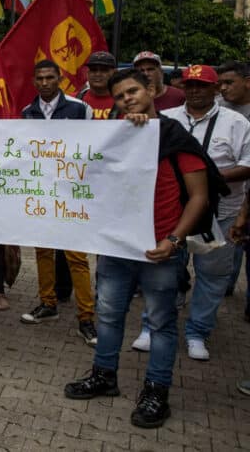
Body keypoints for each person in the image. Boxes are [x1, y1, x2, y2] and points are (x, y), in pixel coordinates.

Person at [65, 68, 209, 429]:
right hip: (116, 248)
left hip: (160, 249)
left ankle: (156, 392)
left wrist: (174, 240)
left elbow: (199, 197)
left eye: (132, 91)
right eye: (119, 96)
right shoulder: (112, 138)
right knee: (109, 315)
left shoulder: (173, 136)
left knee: (160, 323)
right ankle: (104, 375)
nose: (127, 99)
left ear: (151, 89)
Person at [157, 64, 250, 361]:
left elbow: (248, 164)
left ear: (215, 89)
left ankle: (198, 331)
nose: (195, 91)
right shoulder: (166, 119)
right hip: (174, 212)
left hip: (219, 212)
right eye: (190, 85)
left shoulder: (236, 123)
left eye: (202, 85)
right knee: (166, 271)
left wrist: (207, 177)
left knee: (211, 275)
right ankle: (155, 325)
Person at [19, 60, 97, 346]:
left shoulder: (79, 109)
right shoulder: (28, 113)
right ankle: (47, 303)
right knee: (43, 251)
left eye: (50, 77)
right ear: (33, 81)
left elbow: (95, 147)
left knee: (77, 257)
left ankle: (86, 317)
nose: (44, 83)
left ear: (60, 78)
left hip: (72, 194)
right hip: (41, 192)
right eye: (39, 78)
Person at [217, 60, 250, 299]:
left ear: (247, 83)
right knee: (231, 246)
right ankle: (226, 284)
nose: (223, 89)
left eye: (229, 82)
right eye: (220, 84)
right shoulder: (216, 108)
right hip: (230, 198)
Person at [79, 51, 119, 119]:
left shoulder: (127, 101)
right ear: (87, 73)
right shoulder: (71, 100)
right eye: (93, 70)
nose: (98, 74)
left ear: (115, 73)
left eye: (104, 70)